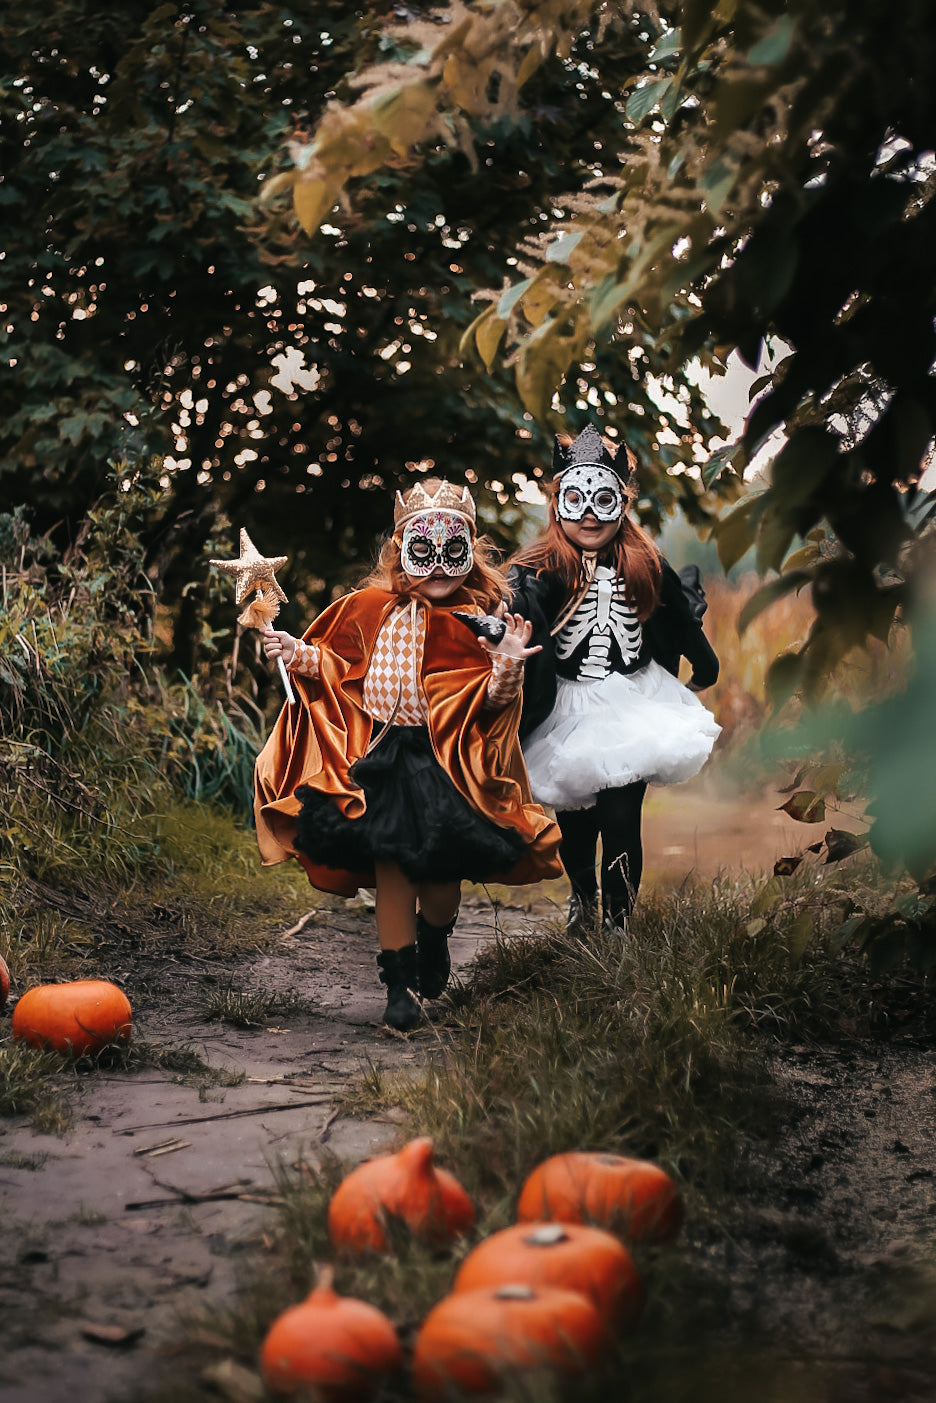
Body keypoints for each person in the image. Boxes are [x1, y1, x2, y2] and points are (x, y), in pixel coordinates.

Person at [254, 477, 562, 1031]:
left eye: (453, 551)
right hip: (380, 757)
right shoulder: (367, 608)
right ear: (400, 551)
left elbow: (489, 705)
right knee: (392, 862)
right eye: (424, 550)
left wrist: (508, 665)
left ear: (469, 554)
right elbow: (336, 664)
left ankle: (435, 934)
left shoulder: (478, 622)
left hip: (448, 764)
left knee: (440, 877)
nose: (439, 566)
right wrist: (294, 652)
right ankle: (398, 986)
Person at [507, 425, 721, 933]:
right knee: (576, 824)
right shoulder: (537, 568)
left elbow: (679, 620)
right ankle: (583, 901)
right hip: (566, 707)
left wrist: (705, 668)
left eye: (601, 501)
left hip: (630, 702)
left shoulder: (645, 563)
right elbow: (510, 609)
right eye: (575, 500)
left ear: (620, 505)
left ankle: (618, 925)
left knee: (622, 819)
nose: (587, 515)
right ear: (558, 503)